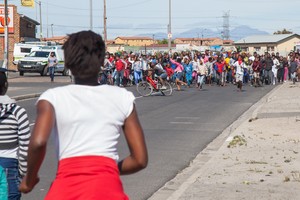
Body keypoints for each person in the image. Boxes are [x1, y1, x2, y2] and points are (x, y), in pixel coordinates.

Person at [19, 31, 148, 199]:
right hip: (107, 188)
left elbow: (38, 142)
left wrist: (29, 180)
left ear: (67, 62)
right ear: (102, 61)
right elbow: (140, 160)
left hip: (66, 188)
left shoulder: (52, 98)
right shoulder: (123, 97)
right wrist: (105, 169)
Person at [0, 68, 31, 200]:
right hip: (9, 166)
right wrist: (24, 172)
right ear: (6, 85)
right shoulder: (18, 112)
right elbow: (25, 146)